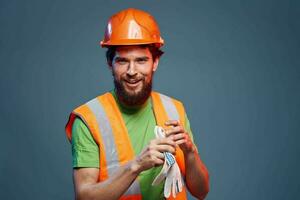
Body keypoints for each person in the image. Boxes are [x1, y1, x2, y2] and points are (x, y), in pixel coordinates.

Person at [65, 8, 209, 200]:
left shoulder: (174, 109)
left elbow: (201, 192)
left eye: (141, 60)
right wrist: (137, 165)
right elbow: (84, 197)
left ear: (155, 62)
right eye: (123, 61)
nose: (132, 71)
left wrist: (190, 153)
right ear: (110, 64)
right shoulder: (89, 119)